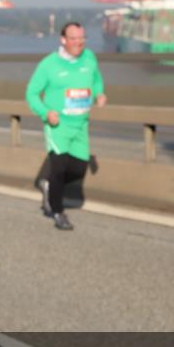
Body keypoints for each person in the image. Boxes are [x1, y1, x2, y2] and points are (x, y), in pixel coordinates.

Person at [25, 22, 107, 231]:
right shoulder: (49, 64)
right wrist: (45, 112)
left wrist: (99, 93)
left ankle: (48, 185)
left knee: (78, 171)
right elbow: (31, 93)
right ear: (63, 40)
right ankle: (57, 212)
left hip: (81, 126)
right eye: (73, 38)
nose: (79, 42)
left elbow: (96, 79)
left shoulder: (89, 58)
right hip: (58, 126)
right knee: (59, 169)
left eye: (82, 38)